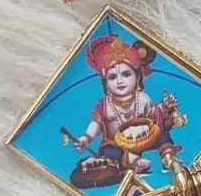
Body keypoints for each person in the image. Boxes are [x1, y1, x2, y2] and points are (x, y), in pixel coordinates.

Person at [71, 35, 182, 176]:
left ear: (137, 77)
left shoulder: (143, 98)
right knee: (108, 151)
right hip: (119, 144)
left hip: (146, 137)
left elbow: (156, 115)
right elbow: (96, 124)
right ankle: (136, 162)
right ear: (106, 83)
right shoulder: (104, 105)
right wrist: (86, 138)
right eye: (112, 77)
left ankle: (168, 158)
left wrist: (166, 106)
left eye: (126, 74)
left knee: (162, 135)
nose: (120, 81)